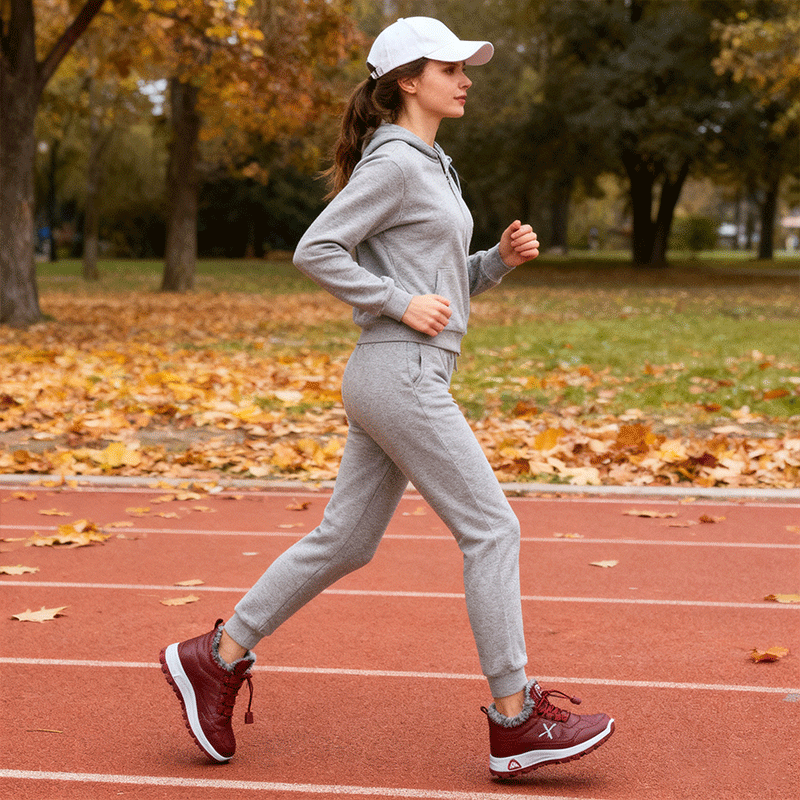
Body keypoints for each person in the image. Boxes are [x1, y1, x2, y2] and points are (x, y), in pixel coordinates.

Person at [160, 16, 614, 779]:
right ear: (409, 80)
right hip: (398, 369)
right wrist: (399, 302)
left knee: (348, 540)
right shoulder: (398, 162)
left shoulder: (434, 164)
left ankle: (217, 655)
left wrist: (494, 263)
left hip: (401, 372)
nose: (466, 78)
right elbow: (316, 249)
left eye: (466, 68)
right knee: (493, 530)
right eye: (451, 67)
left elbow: (440, 287)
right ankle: (514, 718)